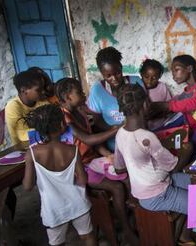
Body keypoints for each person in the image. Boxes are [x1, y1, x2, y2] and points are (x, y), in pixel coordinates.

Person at [56, 77, 138, 245]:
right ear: (67, 97)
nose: (83, 93)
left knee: (128, 175)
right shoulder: (64, 118)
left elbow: (95, 141)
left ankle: (137, 220)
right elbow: (88, 139)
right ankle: (127, 230)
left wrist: (107, 153)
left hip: (93, 161)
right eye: (79, 91)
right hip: (80, 168)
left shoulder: (80, 111)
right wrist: (117, 129)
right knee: (116, 187)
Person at [113, 83, 195, 244]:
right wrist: (187, 150)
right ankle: (178, 237)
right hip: (157, 195)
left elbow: (119, 168)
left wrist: (139, 162)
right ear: (145, 105)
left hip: (149, 188)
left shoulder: (120, 134)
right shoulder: (146, 137)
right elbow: (172, 166)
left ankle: (181, 236)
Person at [22, 104, 96, 246]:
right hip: (77, 203)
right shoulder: (72, 150)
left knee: (57, 243)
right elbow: (83, 179)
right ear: (62, 124)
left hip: (53, 208)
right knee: (88, 236)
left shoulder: (32, 153)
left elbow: (27, 186)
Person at [87, 47, 144, 151]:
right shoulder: (97, 90)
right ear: (101, 73)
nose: (115, 79)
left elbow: (145, 109)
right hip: (115, 142)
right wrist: (116, 130)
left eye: (117, 73)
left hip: (140, 136)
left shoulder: (135, 82)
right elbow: (98, 121)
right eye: (108, 76)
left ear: (121, 67)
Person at [150, 55, 196, 133]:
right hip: (195, 131)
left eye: (176, 70)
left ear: (189, 69)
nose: (173, 76)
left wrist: (166, 105)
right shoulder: (184, 95)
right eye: (172, 72)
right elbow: (176, 104)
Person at [5, 70, 49, 145]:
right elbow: (21, 135)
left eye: (43, 88)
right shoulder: (13, 106)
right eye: (39, 90)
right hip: (24, 148)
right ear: (24, 91)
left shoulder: (42, 102)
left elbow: (55, 120)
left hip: (45, 143)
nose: (43, 92)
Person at [139, 59, 172, 129]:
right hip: (142, 128)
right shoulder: (137, 87)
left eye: (154, 78)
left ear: (159, 77)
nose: (149, 81)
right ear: (141, 74)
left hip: (160, 126)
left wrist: (157, 115)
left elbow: (169, 107)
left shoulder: (162, 87)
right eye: (146, 77)